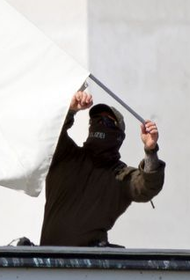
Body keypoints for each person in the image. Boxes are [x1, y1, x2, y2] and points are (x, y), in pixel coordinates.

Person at [40, 90, 164, 247]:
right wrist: (71, 110)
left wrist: (151, 150)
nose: (98, 123)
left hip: (92, 266)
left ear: (117, 134)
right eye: (95, 120)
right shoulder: (66, 156)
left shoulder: (120, 176)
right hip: (48, 264)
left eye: (106, 122)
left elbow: (147, 186)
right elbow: (50, 134)